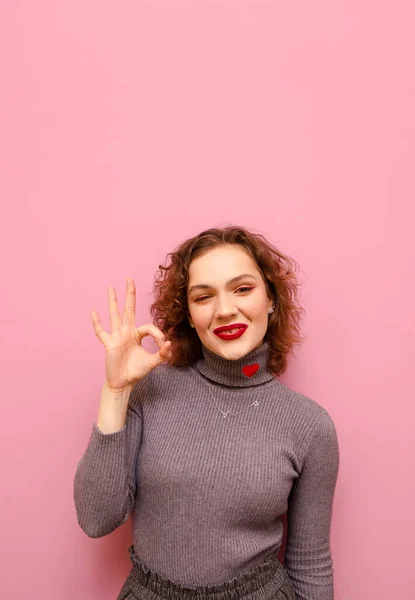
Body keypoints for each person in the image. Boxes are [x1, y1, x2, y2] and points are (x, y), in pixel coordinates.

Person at [74, 225, 340, 600]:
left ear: (271, 300)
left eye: (243, 289)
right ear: (189, 314)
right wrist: (116, 391)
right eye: (204, 297)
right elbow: (97, 518)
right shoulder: (151, 390)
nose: (225, 310)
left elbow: (310, 562)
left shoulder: (309, 425)